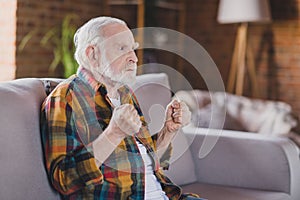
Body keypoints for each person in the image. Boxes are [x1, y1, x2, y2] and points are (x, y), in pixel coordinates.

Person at [41, 16, 202, 200]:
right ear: (92, 54)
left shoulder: (124, 93)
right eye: (122, 48)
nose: (134, 58)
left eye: (132, 48)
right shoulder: (66, 97)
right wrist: (114, 133)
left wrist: (168, 131)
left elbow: (145, 161)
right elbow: (64, 179)